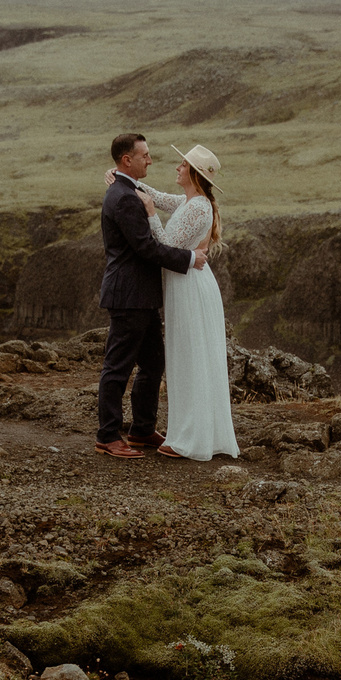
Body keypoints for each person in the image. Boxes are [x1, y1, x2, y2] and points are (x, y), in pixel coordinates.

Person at [122, 144, 238, 460]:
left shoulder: (199, 207)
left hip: (190, 288)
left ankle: (189, 438)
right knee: (191, 358)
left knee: (189, 359)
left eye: (182, 164)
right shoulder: (191, 202)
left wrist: (148, 215)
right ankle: (194, 432)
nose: (177, 168)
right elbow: (159, 197)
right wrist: (126, 179)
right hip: (187, 284)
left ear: (194, 174)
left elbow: (166, 245)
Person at [94, 133, 201, 457]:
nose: (150, 160)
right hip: (129, 295)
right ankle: (108, 436)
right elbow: (146, 247)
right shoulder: (125, 197)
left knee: (153, 364)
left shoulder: (130, 189)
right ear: (127, 160)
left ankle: (141, 429)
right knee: (118, 367)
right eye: (145, 155)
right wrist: (190, 258)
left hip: (141, 296)